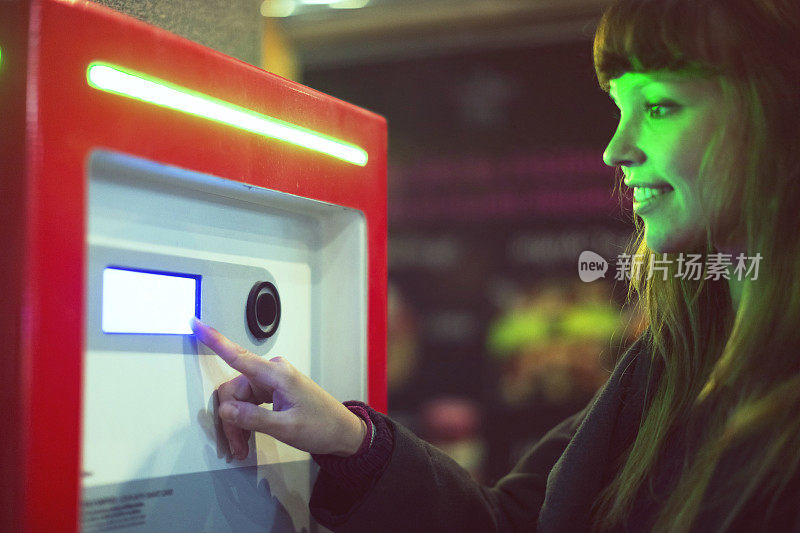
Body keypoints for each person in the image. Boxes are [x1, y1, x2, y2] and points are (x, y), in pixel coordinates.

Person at [191, 0, 800, 530]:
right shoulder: (674, 360)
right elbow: (515, 524)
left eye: (661, 106)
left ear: (774, 116)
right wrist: (352, 442)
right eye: (620, 106)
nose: (618, 149)